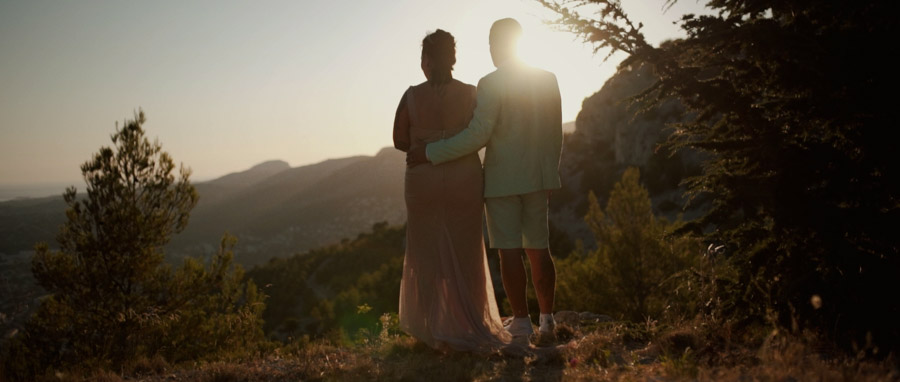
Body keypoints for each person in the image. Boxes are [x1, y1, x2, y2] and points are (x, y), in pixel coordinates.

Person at [407, 18, 563, 346]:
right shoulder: (548, 79)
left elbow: (478, 135)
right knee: (539, 249)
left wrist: (430, 152)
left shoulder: (490, 83)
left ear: (498, 44)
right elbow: (554, 134)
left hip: (502, 181)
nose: (490, 51)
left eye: (491, 44)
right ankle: (548, 321)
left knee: (509, 252)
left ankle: (521, 324)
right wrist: (550, 175)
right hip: (538, 178)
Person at [393, 29, 511, 353]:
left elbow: (400, 140)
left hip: (422, 180)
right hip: (464, 179)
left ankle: (430, 330)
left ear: (427, 61)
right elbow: (480, 132)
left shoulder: (411, 96)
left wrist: (426, 141)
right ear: (454, 58)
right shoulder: (472, 93)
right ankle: (472, 322)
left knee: (424, 254)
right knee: (468, 252)